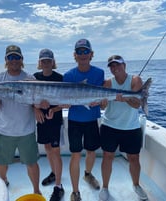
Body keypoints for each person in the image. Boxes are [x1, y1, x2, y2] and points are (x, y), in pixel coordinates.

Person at [0, 45, 41, 194]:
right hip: (4, 130)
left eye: (17, 57)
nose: (14, 60)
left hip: (26, 130)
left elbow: (35, 102)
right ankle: (3, 181)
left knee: (31, 163)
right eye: (10, 57)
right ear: (6, 60)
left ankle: (36, 190)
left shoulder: (30, 79)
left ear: (22, 59)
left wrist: (39, 105)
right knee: (1, 162)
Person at [99, 55, 148, 201]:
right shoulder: (108, 83)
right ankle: (105, 187)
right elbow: (103, 106)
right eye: (112, 66)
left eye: (117, 65)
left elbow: (136, 105)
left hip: (131, 127)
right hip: (109, 125)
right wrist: (101, 101)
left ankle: (136, 185)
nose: (115, 68)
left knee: (134, 158)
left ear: (124, 65)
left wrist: (125, 98)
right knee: (108, 156)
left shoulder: (135, 80)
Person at [63, 39, 104, 201]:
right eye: (79, 52)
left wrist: (101, 101)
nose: (82, 55)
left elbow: (101, 95)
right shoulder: (68, 75)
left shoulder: (99, 73)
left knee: (92, 151)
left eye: (85, 51)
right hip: (75, 121)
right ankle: (75, 191)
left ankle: (87, 175)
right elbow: (66, 100)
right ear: (75, 55)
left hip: (92, 119)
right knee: (75, 155)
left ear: (91, 54)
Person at [33, 49, 65, 201]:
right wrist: (36, 108)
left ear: (53, 62)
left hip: (55, 120)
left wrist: (54, 108)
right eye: (43, 60)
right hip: (42, 120)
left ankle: (59, 186)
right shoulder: (34, 78)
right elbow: (28, 97)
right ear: (40, 63)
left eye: (48, 60)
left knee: (56, 151)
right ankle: (54, 173)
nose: (46, 63)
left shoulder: (60, 78)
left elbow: (67, 102)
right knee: (47, 148)